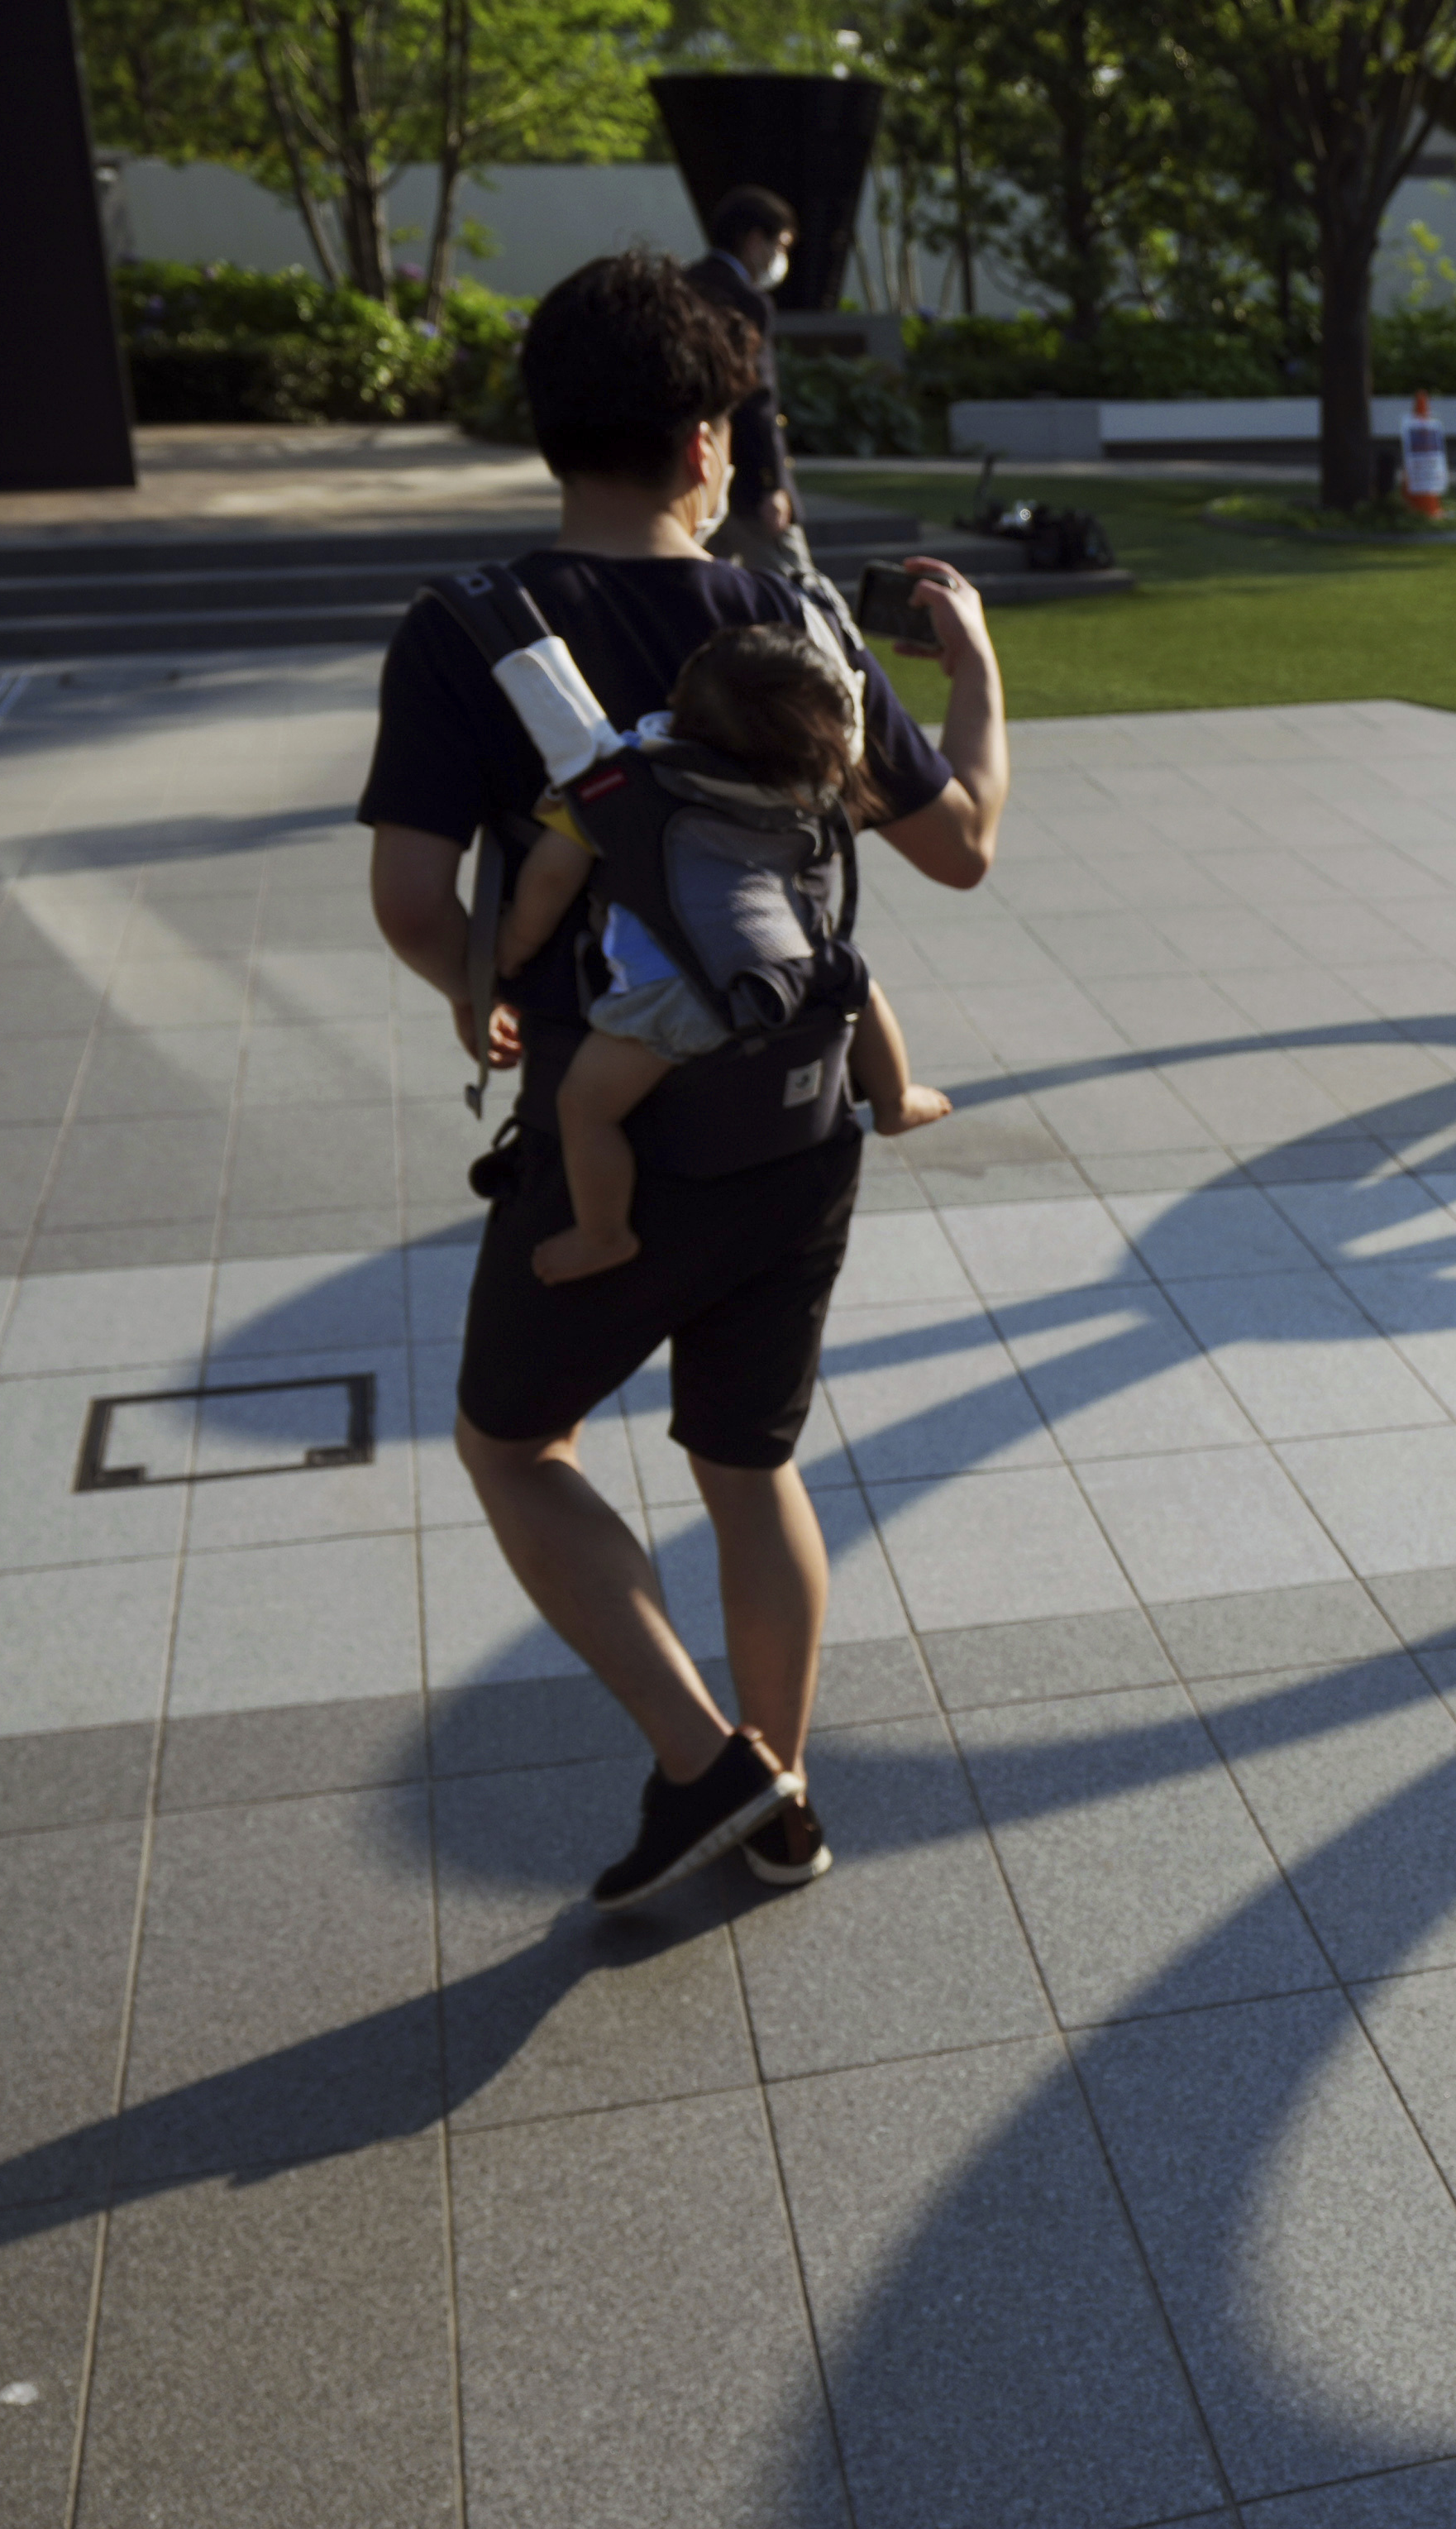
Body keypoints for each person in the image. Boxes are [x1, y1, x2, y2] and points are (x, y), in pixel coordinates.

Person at [361, 248, 1011, 1910]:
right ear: (711, 438)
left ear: (547, 432)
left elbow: (415, 906)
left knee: (518, 1443)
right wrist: (976, 667)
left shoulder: (464, 634)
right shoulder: (792, 621)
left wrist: (479, 997)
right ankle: (780, 1802)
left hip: (621, 1138)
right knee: (750, 1464)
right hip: (802, 1129)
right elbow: (960, 850)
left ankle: (699, 1758)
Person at [498, 620, 957, 1287]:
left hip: (678, 992)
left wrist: (513, 946)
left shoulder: (618, 787)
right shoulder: (810, 789)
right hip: (800, 963)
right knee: (861, 985)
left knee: (585, 1109)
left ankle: (604, 1235)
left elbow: (548, 882)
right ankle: (895, 1100)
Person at [685, 186, 810, 589]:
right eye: (781, 245)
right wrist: (773, 485)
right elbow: (757, 400)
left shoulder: (679, 288)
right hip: (744, 481)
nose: (780, 258)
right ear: (755, 241)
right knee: (796, 592)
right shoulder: (746, 301)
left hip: (689, 475)